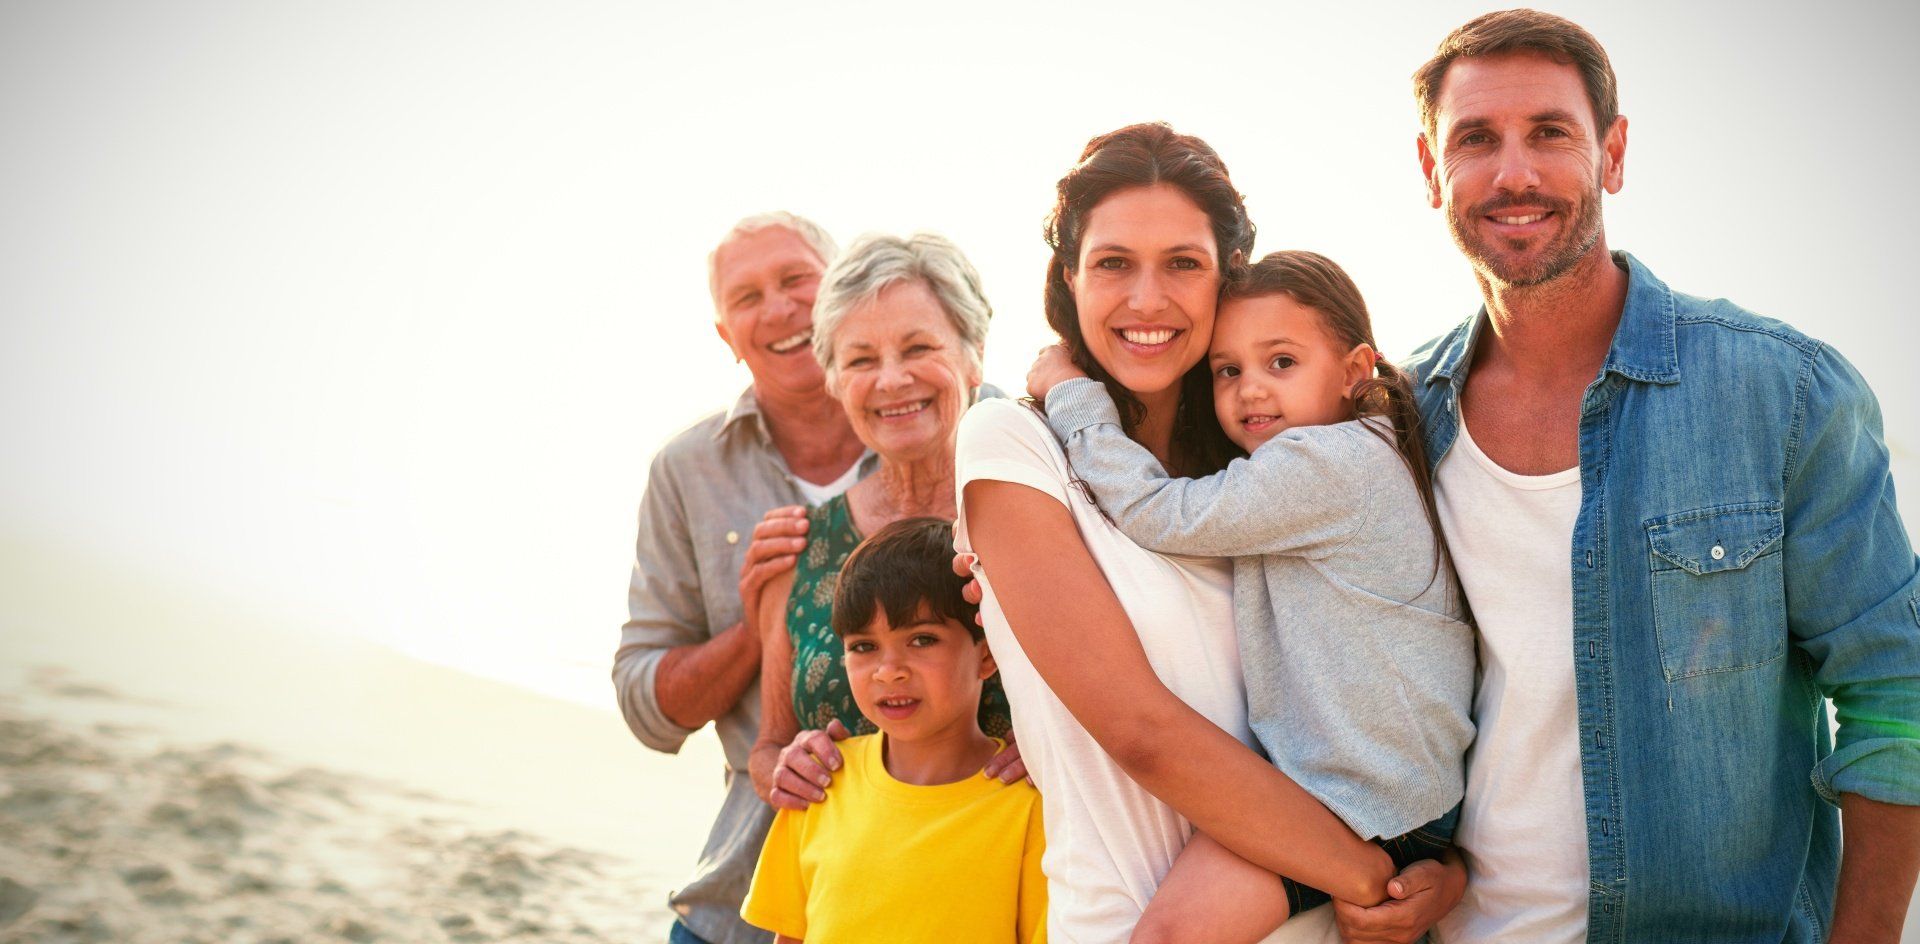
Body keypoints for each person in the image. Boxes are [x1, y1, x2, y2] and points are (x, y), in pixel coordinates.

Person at [1400, 10, 1920, 942]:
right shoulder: (1395, 424)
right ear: (1432, 171)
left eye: (1550, 133)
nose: (1514, 173)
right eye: (1476, 139)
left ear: (1613, 151)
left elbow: (1897, 689)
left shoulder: (1783, 392)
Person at [955, 122, 1395, 944]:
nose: (1147, 300)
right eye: (1114, 263)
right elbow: (1140, 732)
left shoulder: (1273, 463)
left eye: (1183, 264)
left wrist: (1432, 865)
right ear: (1069, 279)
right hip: (1138, 925)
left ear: (1228, 278)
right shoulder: (1013, 446)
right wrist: (1374, 873)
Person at [1023, 249, 1475, 942]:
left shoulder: (1327, 463)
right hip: (1391, 797)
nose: (1250, 390)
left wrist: (1070, 395)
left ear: (1356, 372)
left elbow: (1158, 513)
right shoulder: (1352, 456)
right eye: (1228, 371)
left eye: (1281, 363)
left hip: (1356, 797)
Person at [614, 212, 872, 944]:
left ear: (843, 287)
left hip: (925, 891)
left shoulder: (952, 423)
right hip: (742, 905)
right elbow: (646, 705)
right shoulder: (688, 470)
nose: (780, 308)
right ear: (727, 336)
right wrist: (760, 627)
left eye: (796, 279)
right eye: (747, 296)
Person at [744, 232, 1016, 810]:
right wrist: (784, 769)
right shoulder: (798, 548)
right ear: (835, 382)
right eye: (861, 360)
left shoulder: (1038, 518)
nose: (891, 380)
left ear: (974, 356)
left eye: (918, 349)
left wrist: (1062, 749)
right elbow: (768, 744)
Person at [739, 518, 1046, 944]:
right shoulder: (817, 785)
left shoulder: (1032, 808)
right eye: (864, 647)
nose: (889, 671)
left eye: (922, 640)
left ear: (987, 654)